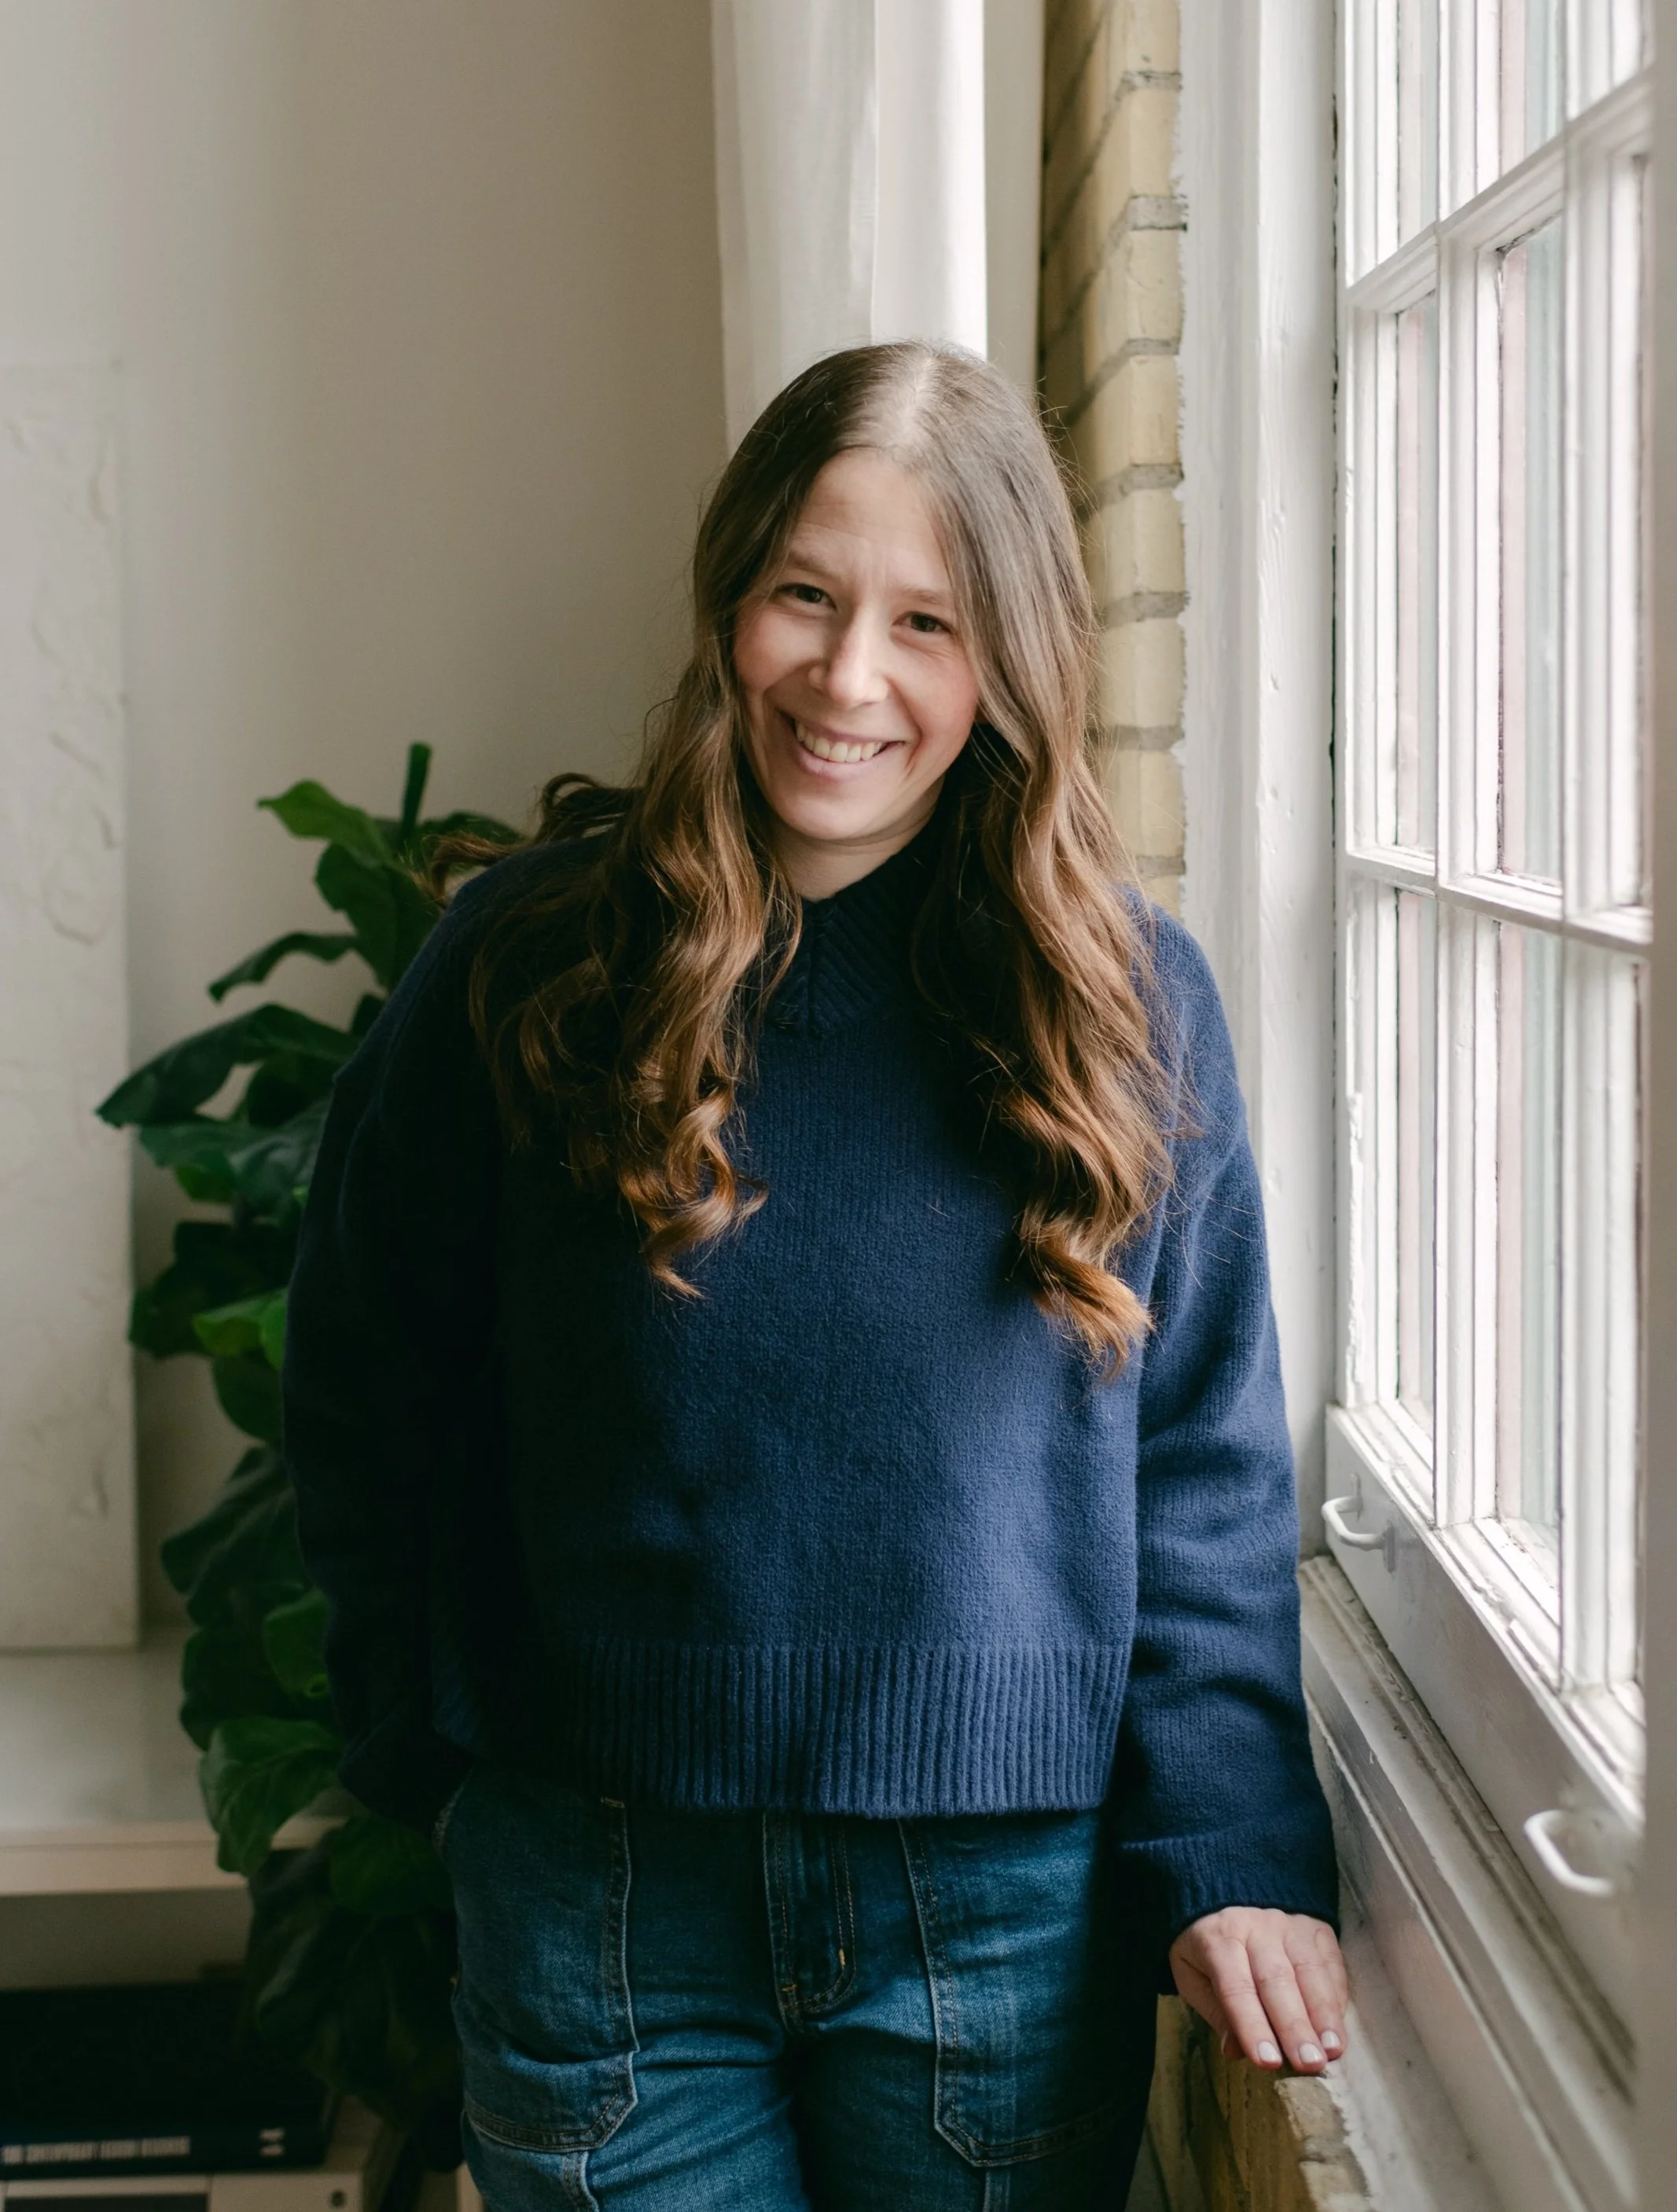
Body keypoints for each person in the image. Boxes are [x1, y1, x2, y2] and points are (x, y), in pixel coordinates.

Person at [284, 341, 1348, 2212]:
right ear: (729, 598)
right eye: (805, 594)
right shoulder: (525, 963)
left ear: (1009, 663)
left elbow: (1199, 1462)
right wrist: (416, 1743)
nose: (848, 678)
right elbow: (368, 1370)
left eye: (926, 623)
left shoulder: (1122, 1002)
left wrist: (1234, 1841)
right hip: (595, 1895)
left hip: (1000, 1924)